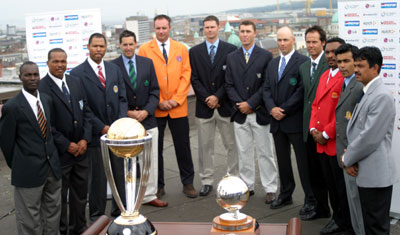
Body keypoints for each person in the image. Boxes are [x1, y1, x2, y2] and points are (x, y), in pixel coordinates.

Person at [70, 33, 128, 221]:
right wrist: (102, 127)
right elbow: (82, 108)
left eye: (101, 46)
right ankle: (97, 216)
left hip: (116, 134)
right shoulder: (77, 73)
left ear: (106, 47)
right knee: (98, 179)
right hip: (95, 135)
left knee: (119, 174)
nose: (98, 50)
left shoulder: (114, 69)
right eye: (95, 46)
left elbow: (122, 99)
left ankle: (120, 210)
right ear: (88, 47)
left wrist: (117, 124)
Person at [138, 15, 197, 198]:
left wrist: (176, 99)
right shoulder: (144, 50)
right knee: (155, 150)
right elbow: (144, 79)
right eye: (158, 28)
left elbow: (186, 75)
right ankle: (158, 185)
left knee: (183, 147)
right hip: (156, 109)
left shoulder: (181, 48)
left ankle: (188, 183)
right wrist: (160, 101)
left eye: (164, 28)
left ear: (170, 27)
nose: (161, 31)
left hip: (178, 108)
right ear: (153, 29)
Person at [0, 61, 62, 235]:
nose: (33, 78)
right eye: (28, 75)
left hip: (52, 168)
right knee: (29, 221)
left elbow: (49, 133)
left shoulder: (47, 100)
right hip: (27, 172)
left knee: (52, 215)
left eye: (35, 74)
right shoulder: (12, 107)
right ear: (20, 78)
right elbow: (6, 142)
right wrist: (21, 164)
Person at [342, 46, 397, 235]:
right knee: (369, 225)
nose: (355, 69)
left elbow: (368, 138)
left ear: (375, 68)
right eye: (355, 65)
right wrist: (349, 158)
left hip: (375, 176)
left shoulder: (381, 96)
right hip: (365, 173)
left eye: (361, 66)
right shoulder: (367, 92)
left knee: (376, 228)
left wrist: (347, 158)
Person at [111, 30, 167, 207]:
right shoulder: (113, 66)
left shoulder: (147, 63)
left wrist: (146, 111)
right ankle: (129, 197)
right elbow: (113, 97)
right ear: (120, 45)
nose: (128, 47)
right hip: (125, 121)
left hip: (148, 119)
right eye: (125, 44)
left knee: (150, 159)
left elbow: (155, 91)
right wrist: (128, 113)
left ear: (136, 44)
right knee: (127, 162)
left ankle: (150, 195)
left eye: (131, 44)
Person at [39, 48, 92, 234]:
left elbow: (86, 112)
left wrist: (85, 139)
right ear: (47, 63)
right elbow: (46, 124)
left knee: (80, 195)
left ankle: (79, 228)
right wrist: (66, 144)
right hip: (60, 155)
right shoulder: (42, 88)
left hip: (81, 152)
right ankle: (61, 231)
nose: (60, 65)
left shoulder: (75, 82)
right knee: (59, 198)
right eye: (55, 61)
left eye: (63, 61)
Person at [225, 20, 277, 200]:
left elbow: (266, 85)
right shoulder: (232, 57)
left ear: (255, 33)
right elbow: (229, 85)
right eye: (242, 31)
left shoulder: (265, 56)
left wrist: (251, 104)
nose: (244, 34)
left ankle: (270, 188)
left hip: (260, 113)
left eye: (248, 31)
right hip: (240, 114)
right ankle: (247, 185)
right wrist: (241, 104)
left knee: (265, 152)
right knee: (244, 152)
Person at [263, 26, 312, 209]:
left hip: (295, 121)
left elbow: (302, 91)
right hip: (277, 122)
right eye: (279, 40)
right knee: (282, 162)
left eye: (285, 40)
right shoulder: (273, 63)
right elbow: (266, 88)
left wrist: (283, 109)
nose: (282, 43)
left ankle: (310, 198)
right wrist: (271, 109)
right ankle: (286, 194)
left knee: (303, 164)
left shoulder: (303, 62)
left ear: (293, 40)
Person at [189, 15, 238, 196]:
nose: (210, 30)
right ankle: (206, 180)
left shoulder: (231, 49)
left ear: (219, 27)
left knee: (232, 145)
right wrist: (207, 98)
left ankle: (233, 178)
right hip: (204, 108)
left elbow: (231, 78)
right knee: (205, 147)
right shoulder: (194, 52)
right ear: (203, 30)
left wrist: (217, 96)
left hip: (225, 106)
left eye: (212, 27)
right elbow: (194, 78)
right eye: (206, 27)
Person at [309, 37, 353, 234]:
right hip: (321, 141)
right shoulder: (325, 75)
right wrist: (313, 130)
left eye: (334, 52)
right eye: (327, 52)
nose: (330, 56)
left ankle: (344, 221)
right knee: (330, 185)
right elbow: (316, 105)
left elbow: (342, 112)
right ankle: (337, 217)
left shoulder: (345, 79)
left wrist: (326, 133)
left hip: (334, 141)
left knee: (340, 187)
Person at [298, 25, 330, 221]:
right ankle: (320, 208)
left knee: (328, 174)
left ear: (323, 43)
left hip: (324, 130)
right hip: (307, 128)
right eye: (308, 42)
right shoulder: (303, 67)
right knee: (313, 174)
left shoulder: (330, 65)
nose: (310, 46)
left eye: (314, 42)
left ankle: (335, 213)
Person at [334, 44, 365, 235]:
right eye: (339, 62)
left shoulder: (360, 87)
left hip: (353, 158)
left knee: (359, 206)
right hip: (345, 156)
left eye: (347, 61)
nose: (342, 66)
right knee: (353, 205)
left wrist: (352, 157)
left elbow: (362, 129)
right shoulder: (345, 83)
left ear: (356, 61)